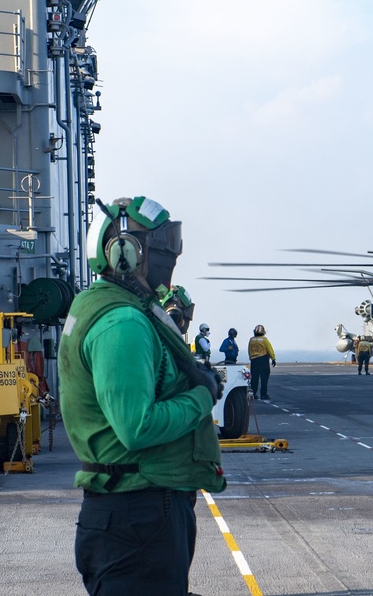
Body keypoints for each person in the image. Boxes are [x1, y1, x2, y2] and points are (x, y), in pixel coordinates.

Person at [58, 196, 225, 596]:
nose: (170, 260)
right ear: (124, 253)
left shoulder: (119, 307)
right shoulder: (123, 323)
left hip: (135, 513)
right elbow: (136, 426)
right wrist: (202, 397)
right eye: (161, 249)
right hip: (138, 515)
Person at [248, 324, 276, 400]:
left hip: (254, 360)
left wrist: (252, 357)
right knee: (264, 378)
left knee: (254, 378)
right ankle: (263, 394)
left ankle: (253, 394)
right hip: (263, 360)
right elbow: (269, 349)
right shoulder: (264, 340)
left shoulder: (251, 340)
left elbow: (249, 350)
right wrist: (273, 358)